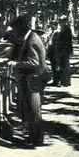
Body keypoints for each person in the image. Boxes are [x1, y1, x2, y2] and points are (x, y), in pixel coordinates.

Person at [7, 13, 49, 146]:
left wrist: (15, 64)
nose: (14, 32)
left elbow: (34, 62)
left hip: (34, 80)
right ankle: (34, 137)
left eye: (14, 29)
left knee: (34, 111)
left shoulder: (31, 40)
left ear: (20, 29)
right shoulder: (30, 37)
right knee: (33, 110)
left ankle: (36, 139)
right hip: (36, 78)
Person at [53, 15, 73, 87]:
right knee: (62, 66)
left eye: (61, 21)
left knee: (65, 66)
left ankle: (66, 82)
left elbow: (66, 41)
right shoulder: (63, 29)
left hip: (64, 50)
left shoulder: (66, 29)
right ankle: (64, 81)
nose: (60, 23)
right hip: (62, 50)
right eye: (60, 21)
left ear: (65, 22)